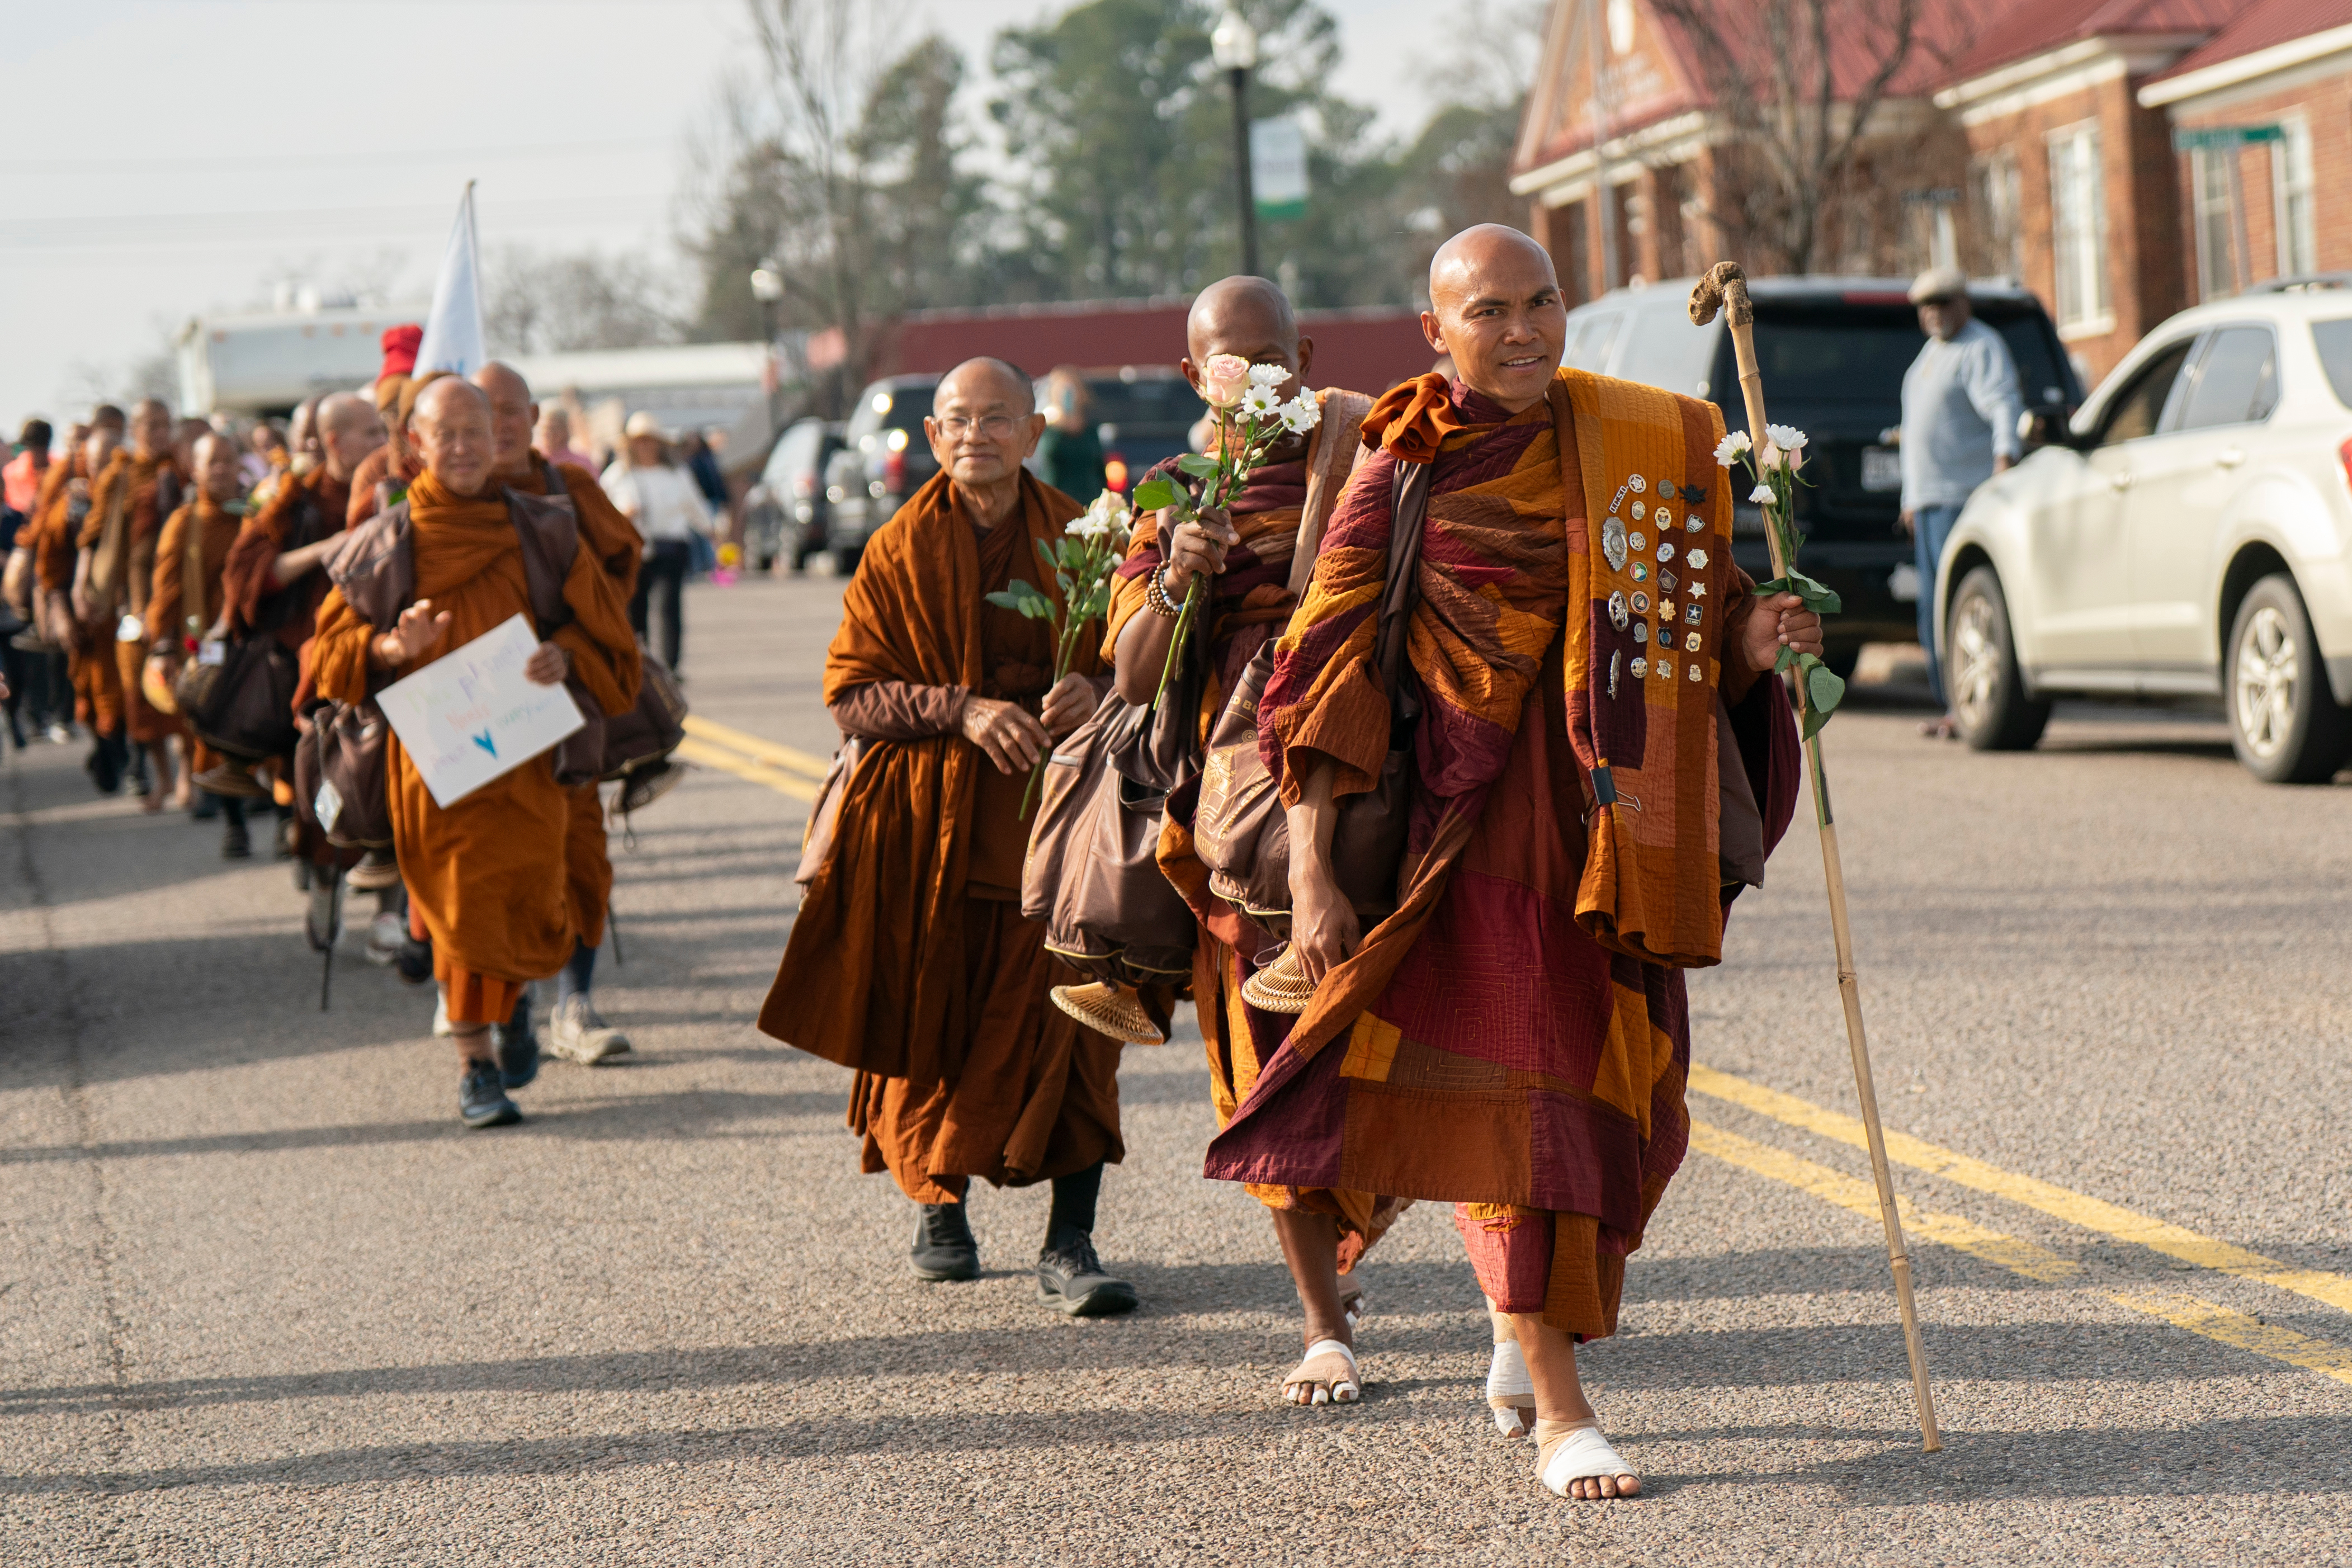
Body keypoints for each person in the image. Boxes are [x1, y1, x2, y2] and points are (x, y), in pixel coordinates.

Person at [1203, 225, 1812, 1500]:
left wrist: (1755, 636)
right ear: (1435, 332)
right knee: (1523, 1101)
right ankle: (1557, 1406)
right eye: (1488, 310)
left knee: (1617, 1103)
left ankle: (1511, 1320)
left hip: (1614, 831)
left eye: (1542, 302)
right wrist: (1311, 871)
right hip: (1470, 840)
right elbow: (1320, 671)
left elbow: (1695, 623)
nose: (1522, 330)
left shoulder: (1643, 436)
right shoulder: (1404, 458)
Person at [755, 357, 1134, 1316]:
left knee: (1072, 1028)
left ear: (1035, 427)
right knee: (936, 1018)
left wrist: (1097, 688)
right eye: (957, 419)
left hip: (1059, 830)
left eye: (997, 416)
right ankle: (938, 1206)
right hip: (932, 833)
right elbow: (850, 694)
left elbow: (1145, 665)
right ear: (932, 438)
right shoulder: (895, 547)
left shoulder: (1084, 538)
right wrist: (959, 710)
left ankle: (1071, 1236)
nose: (977, 433)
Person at [1098, 276, 1386, 1405]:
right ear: (1192, 375)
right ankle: (1323, 1322)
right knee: (1267, 1067)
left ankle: (1354, 1243)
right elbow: (1126, 674)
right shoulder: (1171, 494)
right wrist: (1178, 575)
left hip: (1372, 789)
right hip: (1238, 814)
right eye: (1231, 363)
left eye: (1274, 357)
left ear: (1306, 353)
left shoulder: (1366, 455)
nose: (1257, 380)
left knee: (1399, 1046)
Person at [309, 378, 640, 1128]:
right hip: (438, 764)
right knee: (455, 906)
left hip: (528, 756)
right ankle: (475, 1067)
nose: (461, 448)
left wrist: (566, 654)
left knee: (528, 893)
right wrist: (393, 645)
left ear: (499, 438)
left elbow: (609, 634)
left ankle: (516, 1003)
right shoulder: (385, 544)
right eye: (444, 434)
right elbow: (326, 657)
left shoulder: (545, 529)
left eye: (474, 433)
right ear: (415, 445)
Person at [475, 360, 643, 1066]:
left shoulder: (567, 490)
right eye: (485, 413)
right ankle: (502, 1008)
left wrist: (572, 649)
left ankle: (575, 1004)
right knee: (496, 865)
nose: (501, 425)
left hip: (563, 703)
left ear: (534, 414)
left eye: (512, 410)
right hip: (476, 715)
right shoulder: (445, 505)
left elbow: (617, 577)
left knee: (579, 857)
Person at [224, 390, 386, 942]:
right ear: (334, 441)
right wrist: (335, 545)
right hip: (316, 656)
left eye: (384, 432)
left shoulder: (391, 487)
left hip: (387, 648)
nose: (381, 443)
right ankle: (324, 880)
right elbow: (252, 574)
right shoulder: (296, 498)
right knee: (330, 772)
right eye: (370, 434)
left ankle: (391, 910)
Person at [1898, 266, 2022, 740]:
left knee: (1959, 607)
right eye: (1926, 306)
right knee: (1932, 609)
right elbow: (1916, 435)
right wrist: (1910, 498)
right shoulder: (1930, 356)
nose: (1935, 313)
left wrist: (2004, 461)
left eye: (1943, 302)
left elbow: (2004, 405)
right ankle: (1952, 703)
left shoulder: (1980, 347)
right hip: (1929, 503)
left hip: (1963, 501)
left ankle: (1971, 703)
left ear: (1963, 303)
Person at [75, 399, 185, 810]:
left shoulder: (179, 469)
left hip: (179, 593)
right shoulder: (119, 474)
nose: (159, 434)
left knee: (185, 687)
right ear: (135, 431)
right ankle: (162, 777)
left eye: (164, 425)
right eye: (151, 426)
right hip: (133, 599)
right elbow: (94, 534)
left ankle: (191, 776)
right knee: (140, 695)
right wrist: (82, 588)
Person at [147, 432, 252, 856]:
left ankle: (285, 820)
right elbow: (166, 591)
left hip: (256, 641)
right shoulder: (184, 522)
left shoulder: (256, 515)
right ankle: (235, 823)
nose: (222, 470)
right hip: (208, 645)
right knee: (220, 735)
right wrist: (164, 646)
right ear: (196, 471)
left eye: (229, 460)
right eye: (213, 463)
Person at [599, 412, 709, 676]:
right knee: (635, 608)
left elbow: (696, 507)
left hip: (670, 547)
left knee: (668, 606)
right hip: (633, 549)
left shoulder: (676, 474)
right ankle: (640, 662)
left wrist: (712, 531)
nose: (645, 447)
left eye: (649, 441)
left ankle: (670, 666)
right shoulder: (618, 475)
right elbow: (598, 510)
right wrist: (623, 515)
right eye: (639, 441)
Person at [1036, 367, 1105, 499]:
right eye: (1063, 390)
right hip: (1056, 500)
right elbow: (1048, 456)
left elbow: (1099, 468)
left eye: (1072, 389)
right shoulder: (1049, 429)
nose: (1068, 394)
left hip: (1089, 499)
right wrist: (1061, 422)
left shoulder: (1090, 430)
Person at [534, 405, 596, 474]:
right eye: (544, 428)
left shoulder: (582, 463)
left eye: (553, 428)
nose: (547, 433)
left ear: (566, 430)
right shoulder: (532, 460)